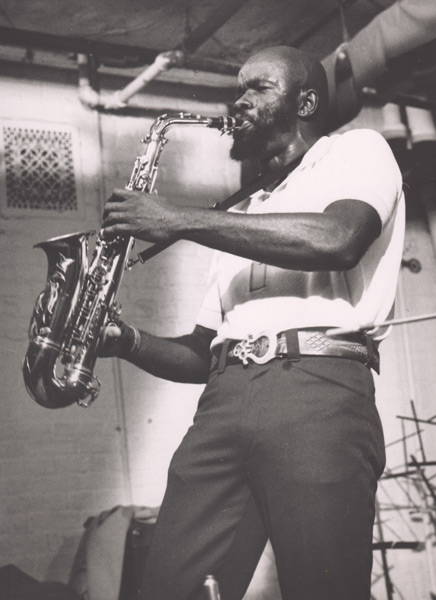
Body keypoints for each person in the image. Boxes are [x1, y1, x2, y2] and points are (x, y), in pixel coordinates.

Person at [101, 46, 405, 600]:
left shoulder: (357, 150)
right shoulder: (240, 212)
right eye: (237, 90)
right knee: (171, 588)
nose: (237, 101)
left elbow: (339, 239)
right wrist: (126, 340)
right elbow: (201, 352)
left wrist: (181, 219)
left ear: (306, 102)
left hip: (318, 392)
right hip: (224, 401)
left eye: (257, 88)